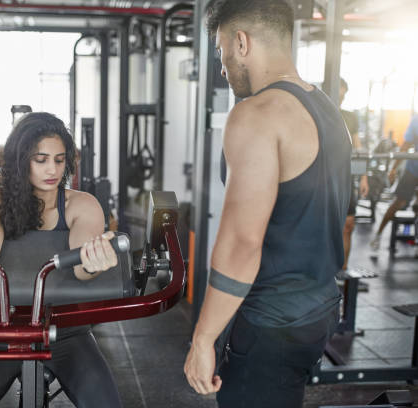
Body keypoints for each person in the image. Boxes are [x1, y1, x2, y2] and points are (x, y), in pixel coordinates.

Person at [183, 1, 351, 407]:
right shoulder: (328, 109)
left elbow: (242, 242)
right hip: (319, 307)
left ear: (241, 42)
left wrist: (203, 339)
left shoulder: (255, 115)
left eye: (221, 51)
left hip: (271, 320)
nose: (221, 68)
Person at [0, 112, 123, 408]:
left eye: (59, 160)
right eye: (41, 159)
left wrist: (92, 262)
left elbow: (82, 268)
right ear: (21, 160)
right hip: (7, 327)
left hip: (68, 330)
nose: (52, 169)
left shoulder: (82, 205)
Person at [369, 114, 418, 252]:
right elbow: (405, 146)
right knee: (399, 203)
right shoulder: (416, 120)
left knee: (416, 206)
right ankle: (378, 236)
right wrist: (394, 169)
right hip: (413, 170)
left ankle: (415, 240)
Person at [339, 78, 369, 270]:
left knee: (348, 224)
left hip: (345, 177)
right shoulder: (315, 112)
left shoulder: (350, 117)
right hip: (320, 178)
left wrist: (364, 176)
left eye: (343, 95)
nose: (340, 98)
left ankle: (342, 273)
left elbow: (358, 148)